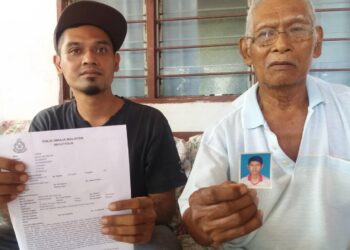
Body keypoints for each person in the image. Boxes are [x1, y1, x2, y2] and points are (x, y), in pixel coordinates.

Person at [0, 1, 186, 249]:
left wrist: (145, 214)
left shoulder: (150, 122)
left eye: (100, 50)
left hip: (123, 235)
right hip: (63, 232)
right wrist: (6, 201)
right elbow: (32, 212)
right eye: (75, 50)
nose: (89, 59)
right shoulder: (47, 122)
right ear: (58, 64)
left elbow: (165, 209)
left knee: (162, 240)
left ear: (116, 62)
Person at [178, 0, 350, 249]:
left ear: (317, 41)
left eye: (297, 29)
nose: (282, 45)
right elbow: (194, 216)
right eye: (266, 34)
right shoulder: (225, 129)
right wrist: (203, 222)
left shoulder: (346, 109)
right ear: (246, 50)